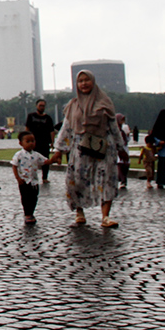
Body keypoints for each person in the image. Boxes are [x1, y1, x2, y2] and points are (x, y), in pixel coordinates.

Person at [48, 70, 122, 228]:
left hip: (104, 148)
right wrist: (58, 150)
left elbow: (113, 127)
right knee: (77, 180)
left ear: (93, 82)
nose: (84, 84)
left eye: (86, 80)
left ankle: (105, 216)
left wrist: (121, 147)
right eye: (80, 81)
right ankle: (79, 211)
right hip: (81, 148)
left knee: (106, 179)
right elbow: (66, 129)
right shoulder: (73, 105)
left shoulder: (105, 103)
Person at [12, 129, 52, 225]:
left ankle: (31, 212)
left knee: (34, 197)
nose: (31, 143)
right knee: (26, 198)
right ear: (21, 143)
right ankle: (27, 214)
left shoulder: (36, 155)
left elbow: (46, 161)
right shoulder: (19, 155)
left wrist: (55, 158)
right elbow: (14, 166)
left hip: (34, 181)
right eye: (28, 141)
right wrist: (18, 178)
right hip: (24, 181)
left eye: (33, 141)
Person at [25, 99, 56, 184]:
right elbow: (27, 128)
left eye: (43, 106)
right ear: (36, 106)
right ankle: (31, 176)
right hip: (33, 142)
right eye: (40, 105)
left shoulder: (48, 118)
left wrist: (52, 142)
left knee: (45, 160)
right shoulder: (31, 116)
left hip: (45, 142)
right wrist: (26, 140)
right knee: (31, 160)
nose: (42, 107)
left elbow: (51, 131)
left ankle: (45, 177)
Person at [115, 113, 132, 189]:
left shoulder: (123, 129)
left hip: (124, 149)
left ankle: (123, 180)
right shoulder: (115, 130)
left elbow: (127, 140)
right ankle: (122, 180)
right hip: (118, 151)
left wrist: (128, 135)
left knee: (126, 165)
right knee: (120, 165)